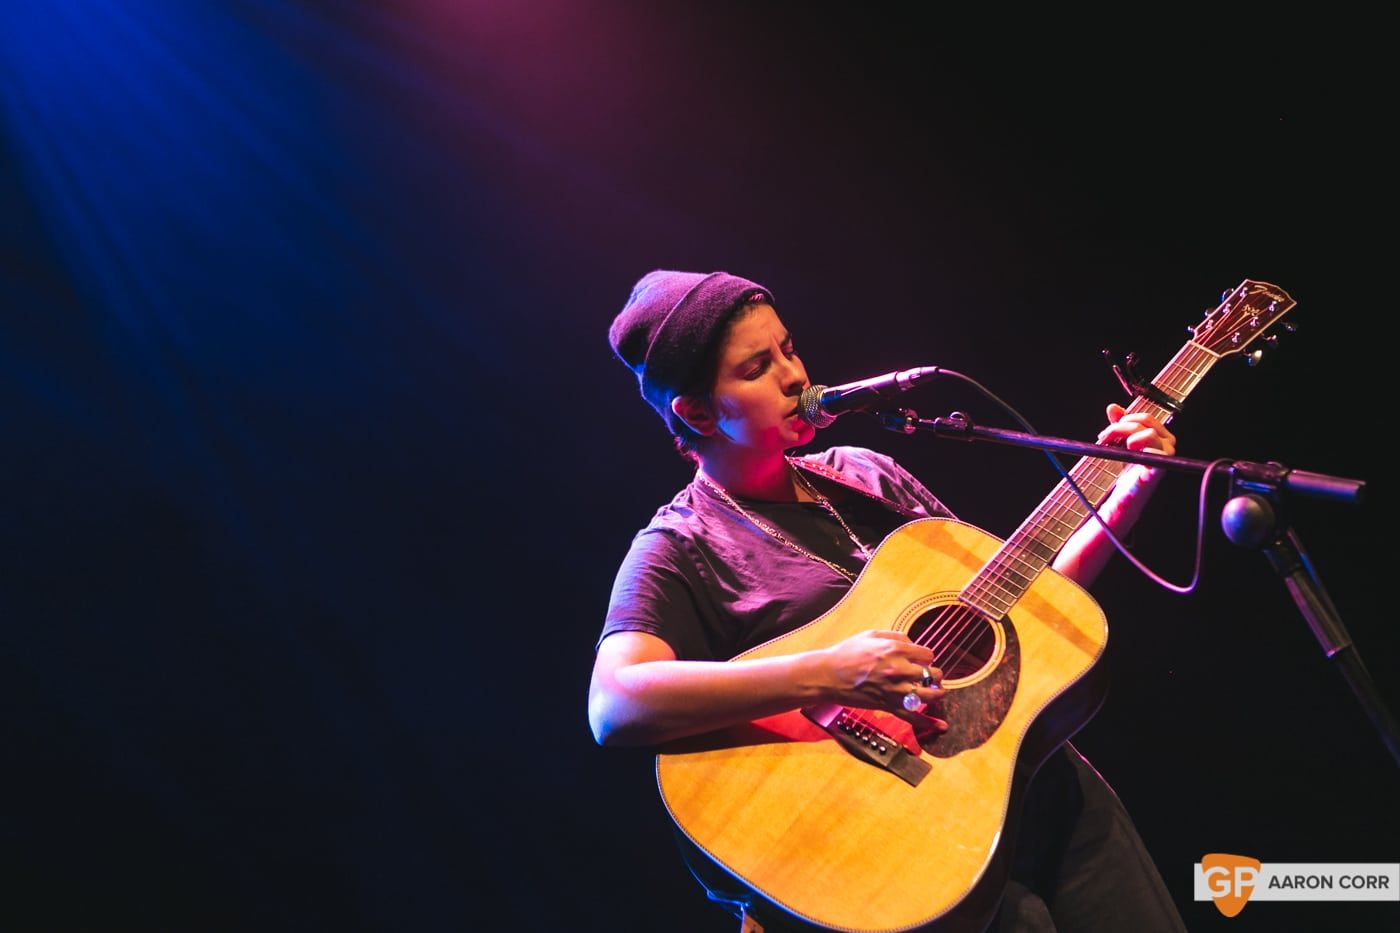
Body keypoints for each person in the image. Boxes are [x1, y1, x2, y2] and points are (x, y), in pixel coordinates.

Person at [589, 269, 1187, 932]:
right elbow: (617, 701)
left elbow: (1017, 607)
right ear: (698, 412)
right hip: (897, 848)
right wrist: (828, 670)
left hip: (1041, 788)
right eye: (758, 367)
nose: (793, 376)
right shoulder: (680, 544)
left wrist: (1123, 497)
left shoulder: (868, 473)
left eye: (789, 349)